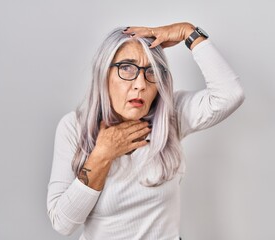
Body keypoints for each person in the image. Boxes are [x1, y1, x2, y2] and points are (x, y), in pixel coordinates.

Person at [47, 22, 244, 240]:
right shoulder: (75, 127)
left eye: (151, 71)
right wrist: (102, 154)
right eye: (127, 68)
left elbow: (230, 94)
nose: (140, 84)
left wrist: (187, 32)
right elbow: (62, 223)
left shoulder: (170, 115)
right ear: (104, 74)